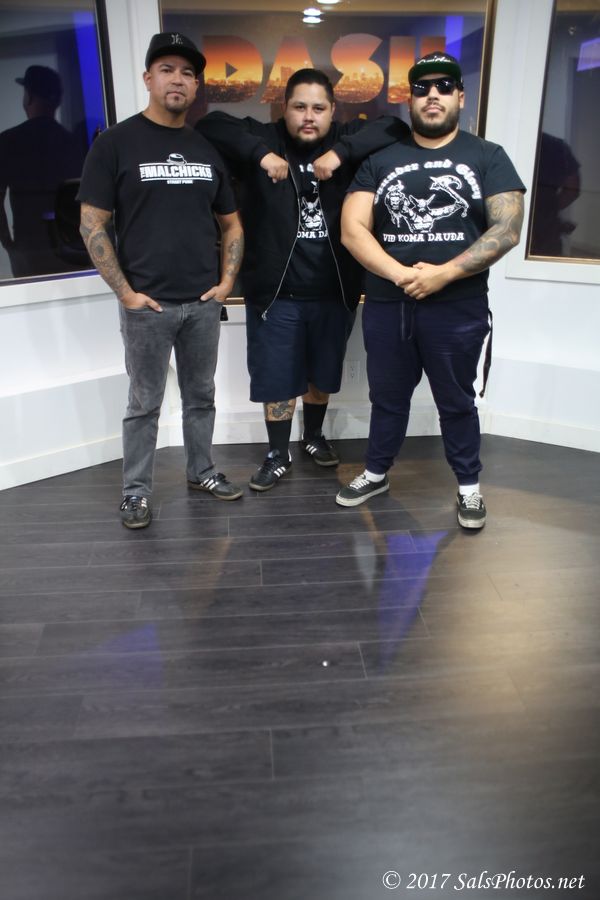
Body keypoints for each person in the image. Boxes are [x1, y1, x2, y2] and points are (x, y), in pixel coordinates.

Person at [335, 52, 526, 529]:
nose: (432, 95)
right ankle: (376, 472)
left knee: (456, 401)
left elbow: (507, 229)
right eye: (421, 88)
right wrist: (402, 274)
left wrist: (444, 274)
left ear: (461, 96)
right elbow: (353, 229)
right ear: (409, 99)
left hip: (457, 305)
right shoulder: (380, 160)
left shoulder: (488, 156)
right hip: (389, 304)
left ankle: (469, 487)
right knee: (387, 397)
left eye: (443, 86)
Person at [196, 70, 408, 491]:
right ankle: (277, 453)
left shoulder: (345, 139)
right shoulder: (266, 138)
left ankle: (313, 436)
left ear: (333, 111)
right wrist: (261, 155)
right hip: (276, 293)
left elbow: (395, 127)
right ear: (284, 109)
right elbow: (210, 124)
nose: (308, 117)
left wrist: (341, 154)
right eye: (299, 107)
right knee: (277, 378)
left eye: (318, 108)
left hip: (334, 290)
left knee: (321, 373)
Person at [78, 32, 244, 529]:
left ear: (196, 86)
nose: (178, 79)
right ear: (148, 78)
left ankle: (202, 471)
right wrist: (126, 294)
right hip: (147, 306)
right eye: (167, 69)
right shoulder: (115, 143)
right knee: (144, 403)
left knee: (201, 396)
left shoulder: (205, 148)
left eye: (188, 73)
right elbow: (92, 224)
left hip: (202, 303)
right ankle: (135, 493)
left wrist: (226, 284)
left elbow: (232, 223)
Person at [0, 65, 82, 277]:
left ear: (28, 97)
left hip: (28, 250)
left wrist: (9, 245)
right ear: (58, 101)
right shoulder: (73, 143)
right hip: (71, 247)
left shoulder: (8, 141)